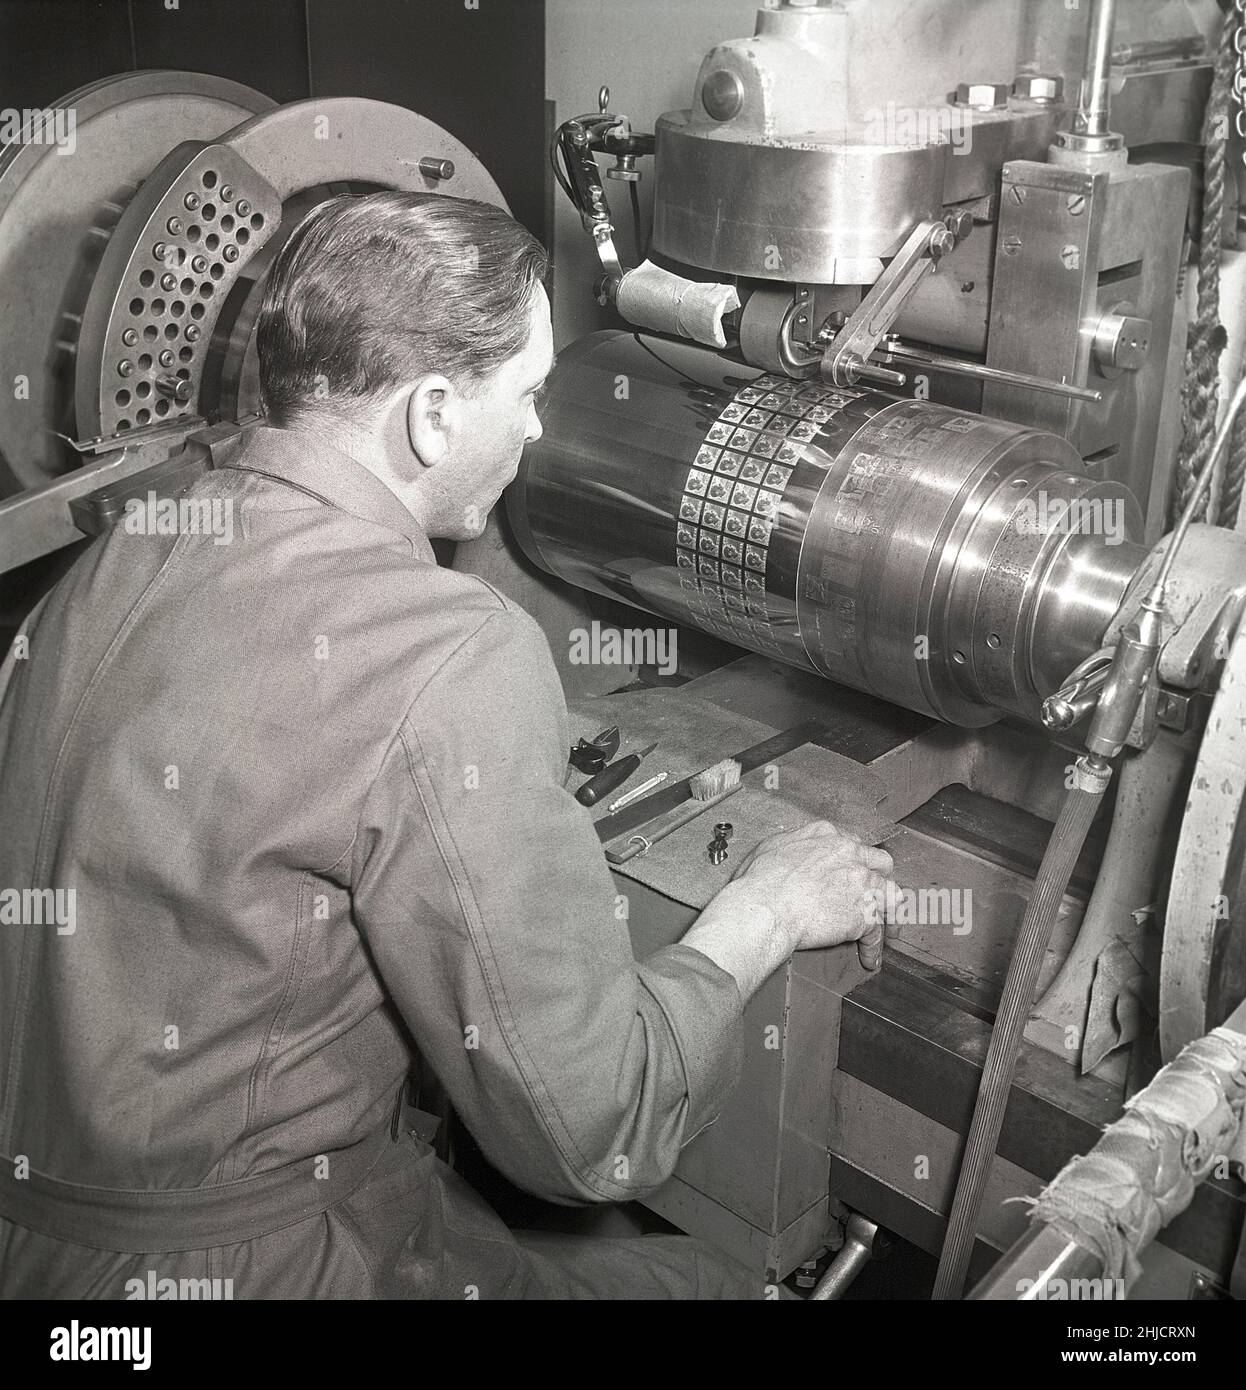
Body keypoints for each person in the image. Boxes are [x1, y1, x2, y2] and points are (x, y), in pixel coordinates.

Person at [0, 191, 895, 1299]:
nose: (535, 429)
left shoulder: (117, 551)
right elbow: (593, 1136)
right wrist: (764, 911)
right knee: (706, 1284)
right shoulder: (449, 649)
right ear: (429, 415)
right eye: (524, 395)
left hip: (40, 1235)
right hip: (239, 1266)